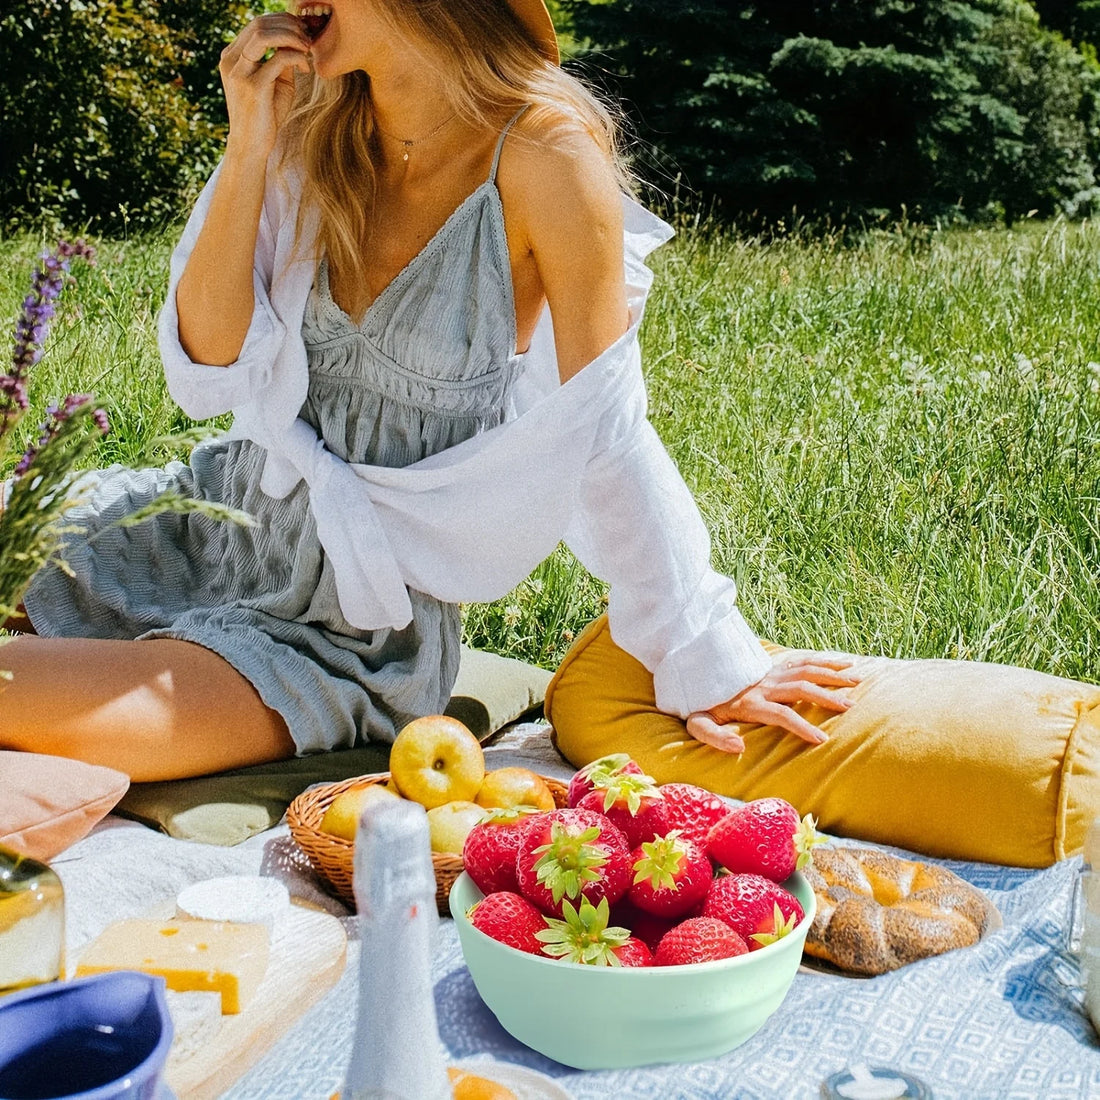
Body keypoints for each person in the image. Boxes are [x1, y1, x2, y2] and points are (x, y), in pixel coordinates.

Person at [0, 0, 856, 783]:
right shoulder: (310, 123)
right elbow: (209, 361)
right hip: (214, 524)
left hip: (342, 634)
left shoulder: (545, 156)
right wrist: (249, 145)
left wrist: (702, 652)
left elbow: (603, 429)